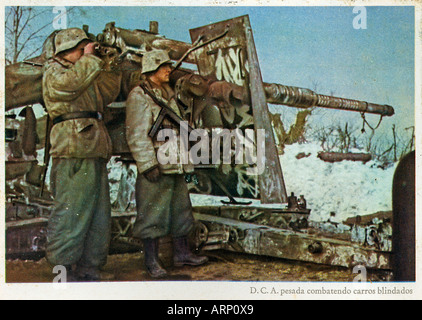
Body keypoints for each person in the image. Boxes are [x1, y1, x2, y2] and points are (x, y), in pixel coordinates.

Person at [42, 28, 122, 281]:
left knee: (98, 214)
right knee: (71, 212)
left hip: (93, 146)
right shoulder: (54, 70)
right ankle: (61, 270)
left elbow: (108, 92)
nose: (87, 52)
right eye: (82, 48)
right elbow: (68, 86)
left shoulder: (85, 71)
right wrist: (89, 59)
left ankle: (90, 267)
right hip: (73, 149)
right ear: (68, 49)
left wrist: (110, 64)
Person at [125, 49, 208, 278]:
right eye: (164, 67)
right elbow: (136, 133)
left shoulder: (169, 94)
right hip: (157, 164)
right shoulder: (140, 95)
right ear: (152, 68)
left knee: (181, 211)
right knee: (152, 214)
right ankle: (151, 261)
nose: (169, 70)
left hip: (175, 162)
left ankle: (182, 254)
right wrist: (147, 164)